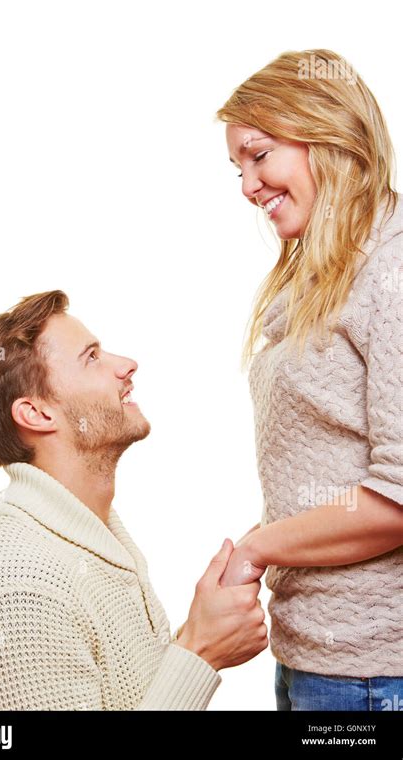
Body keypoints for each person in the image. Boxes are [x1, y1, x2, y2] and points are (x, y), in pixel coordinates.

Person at [0, 290, 268, 711]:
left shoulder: (89, 537)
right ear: (37, 414)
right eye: (91, 357)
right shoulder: (12, 590)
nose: (127, 364)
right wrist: (201, 652)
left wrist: (201, 628)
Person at [216, 48, 403, 711]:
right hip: (313, 660)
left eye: (259, 154)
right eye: (236, 166)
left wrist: (257, 548)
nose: (246, 184)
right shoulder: (326, 273)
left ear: (325, 130)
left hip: (374, 676)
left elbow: (398, 496)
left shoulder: (393, 270)